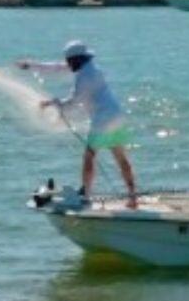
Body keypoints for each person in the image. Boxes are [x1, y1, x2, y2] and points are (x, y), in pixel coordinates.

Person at [16, 40, 138, 207]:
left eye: (69, 61)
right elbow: (57, 67)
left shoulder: (84, 77)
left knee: (89, 157)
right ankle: (133, 197)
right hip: (116, 116)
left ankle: (86, 195)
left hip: (102, 119)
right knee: (121, 158)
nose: (67, 64)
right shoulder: (91, 68)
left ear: (76, 60)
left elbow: (74, 102)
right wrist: (31, 66)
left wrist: (53, 103)